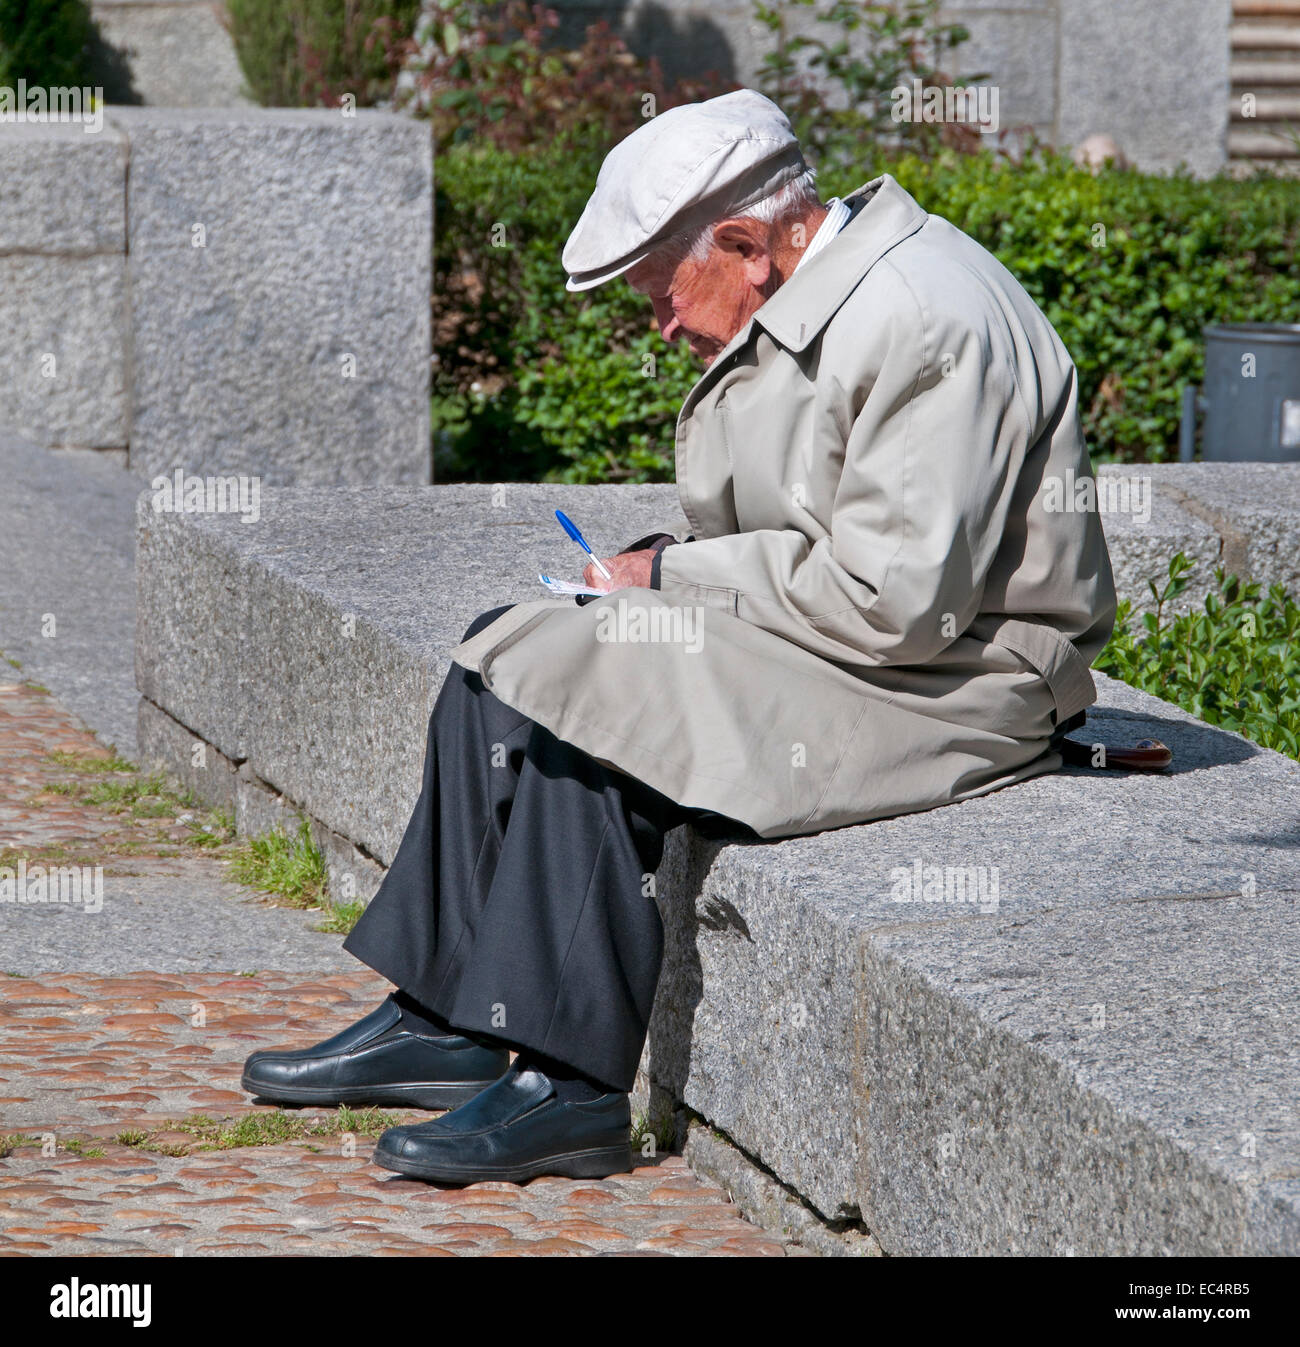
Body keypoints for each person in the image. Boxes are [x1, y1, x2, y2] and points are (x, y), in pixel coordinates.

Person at [241, 89, 1115, 1184]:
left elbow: (900, 603)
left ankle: (572, 1091)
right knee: (504, 647)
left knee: (604, 700)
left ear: (747, 243)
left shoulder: (920, 321)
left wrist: (677, 576)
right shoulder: (821, 289)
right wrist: (665, 574)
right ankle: (445, 1018)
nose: (658, 323)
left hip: (960, 677)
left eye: (664, 291)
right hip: (869, 642)